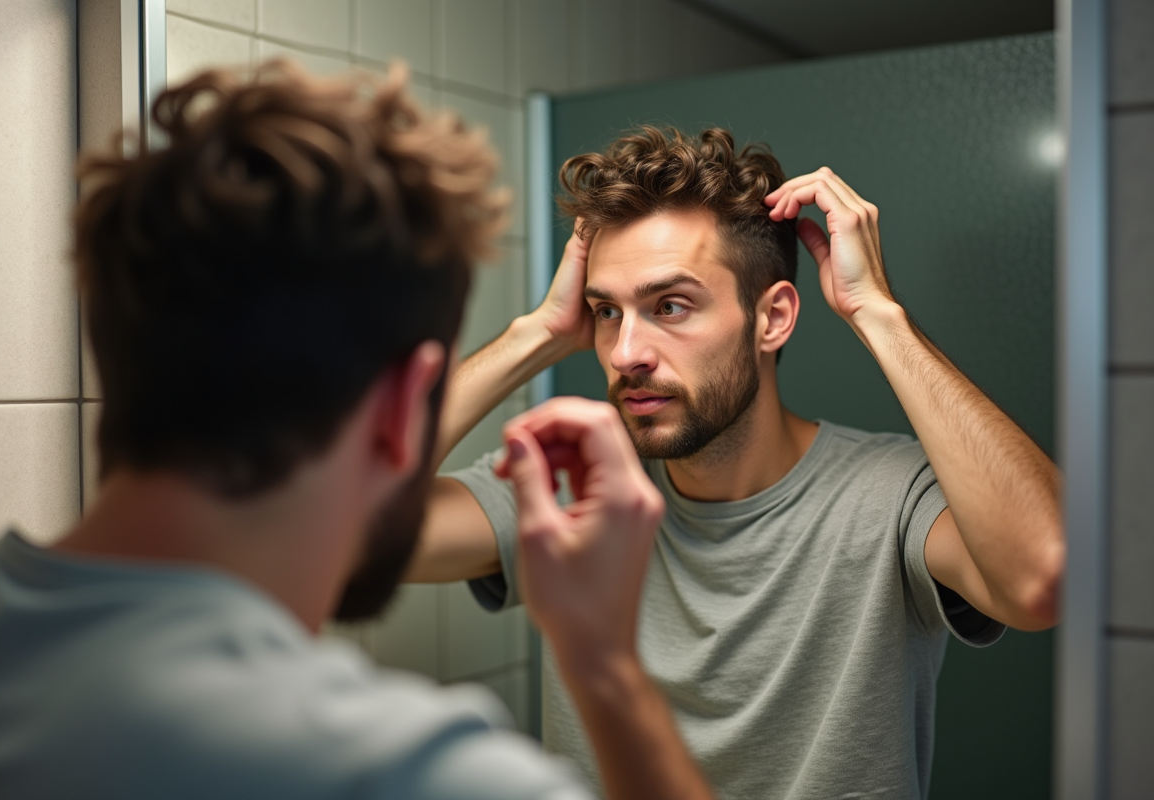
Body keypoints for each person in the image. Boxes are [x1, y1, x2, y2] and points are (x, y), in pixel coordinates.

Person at [0, 65, 716, 800]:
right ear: (404, 406)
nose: (626, 350)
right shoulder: (417, 778)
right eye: (608, 313)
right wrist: (607, 668)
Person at [408, 127, 1066, 800]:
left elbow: (1044, 576)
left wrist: (879, 315)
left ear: (772, 317)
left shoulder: (889, 496)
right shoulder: (571, 487)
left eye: (670, 305)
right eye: (608, 312)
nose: (625, 351)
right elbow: (343, 536)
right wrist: (537, 333)